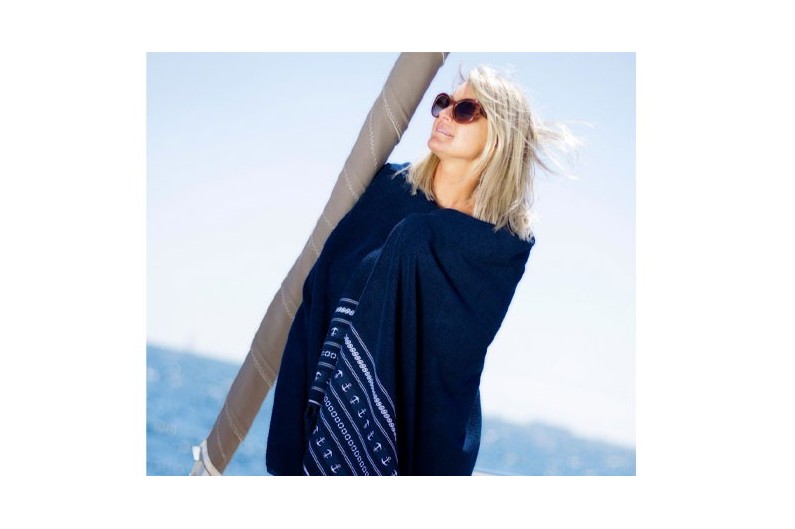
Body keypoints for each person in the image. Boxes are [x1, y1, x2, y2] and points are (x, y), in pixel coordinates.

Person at [265, 65, 573, 476]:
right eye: (444, 103)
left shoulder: (501, 247)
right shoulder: (389, 190)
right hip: (320, 412)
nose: (444, 114)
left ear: (499, 136)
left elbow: (453, 358)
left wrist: (418, 238)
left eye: (465, 110)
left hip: (425, 439)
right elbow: (321, 293)